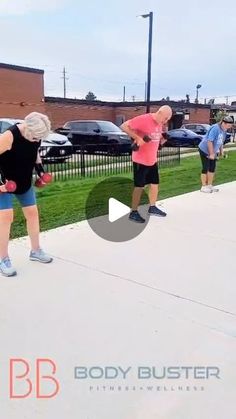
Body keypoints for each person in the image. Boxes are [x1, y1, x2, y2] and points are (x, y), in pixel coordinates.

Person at [0, 112, 53, 277]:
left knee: (32, 214)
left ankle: (35, 251)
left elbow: (35, 155)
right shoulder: (9, 136)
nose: (38, 140)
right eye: (36, 137)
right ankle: (3, 258)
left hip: (23, 181)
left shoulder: (36, 135)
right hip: (5, 182)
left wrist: (41, 173)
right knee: (6, 217)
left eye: (40, 138)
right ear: (28, 129)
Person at [121, 105, 172, 223]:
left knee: (154, 184)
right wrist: (137, 138)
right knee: (139, 187)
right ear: (159, 113)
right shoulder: (144, 119)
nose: (165, 122)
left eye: (167, 120)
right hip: (140, 160)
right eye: (164, 118)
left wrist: (162, 141)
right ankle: (133, 212)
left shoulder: (159, 123)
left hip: (152, 160)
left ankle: (152, 207)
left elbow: (154, 139)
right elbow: (124, 126)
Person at [198, 115, 234, 193]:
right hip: (204, 149)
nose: (229, 127)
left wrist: (221, 152)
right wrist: (211, 154)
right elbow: (209, 141)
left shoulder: (224, 130)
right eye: (228, 125)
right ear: (223, 123)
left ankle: (209, 185)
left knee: (212, 168)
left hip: (212, 151)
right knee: (206, 167)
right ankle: (203, 187)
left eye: (230, 126)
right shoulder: (215, 128)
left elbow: (220, 142)